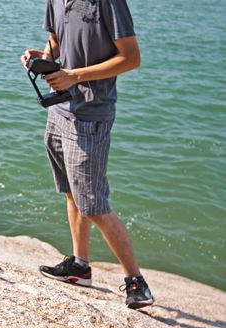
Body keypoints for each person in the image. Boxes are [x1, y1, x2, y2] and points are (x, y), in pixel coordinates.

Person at [20, 0, 154, 309]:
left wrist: (75, 76)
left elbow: (131, 58)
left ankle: (136, 282)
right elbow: (56, 41)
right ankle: (80, 266)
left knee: (93, 204)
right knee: (71, 192)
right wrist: (42, 57)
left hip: (92, 112)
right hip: (60, 107)